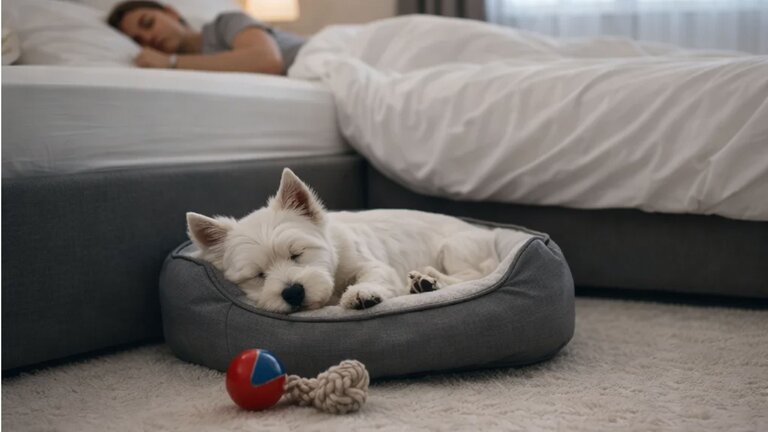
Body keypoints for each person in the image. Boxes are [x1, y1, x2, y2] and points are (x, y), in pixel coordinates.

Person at [107, 0, 306, 75]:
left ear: (171, 13)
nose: (148, 38)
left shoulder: (225, 23)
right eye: (138, 40)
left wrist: (171, 62)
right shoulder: (192, 70)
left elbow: (267, 60)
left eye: (148, 23)